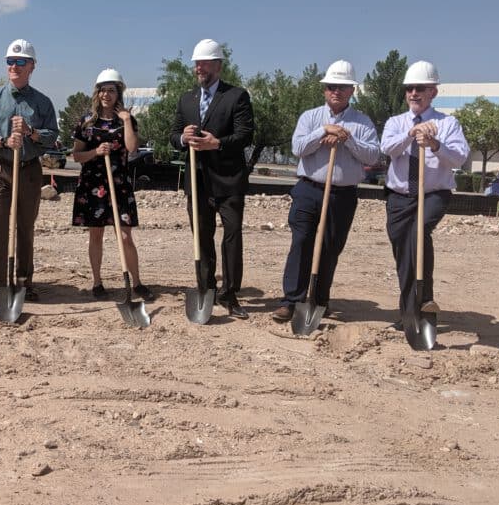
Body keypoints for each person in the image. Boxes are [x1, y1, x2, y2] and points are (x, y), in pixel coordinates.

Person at [276, 60, 380, 322]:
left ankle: (320, 301)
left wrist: (347, 138)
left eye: (343, 87)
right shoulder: (310, 117)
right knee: (301, 242)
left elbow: (372, 155)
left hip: (342, 194)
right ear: (324, 89)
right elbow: (298, 148)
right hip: (309, 190)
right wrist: (323, 131)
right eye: (332, 86)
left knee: (331, 247)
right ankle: (291, 300)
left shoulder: (363, 122)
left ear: (352, 91)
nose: (337, 91)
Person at [381, 60, 469, 329]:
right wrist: (411, 134)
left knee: (417, 236)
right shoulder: (396, 122)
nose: (413, 93)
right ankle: (410, 310)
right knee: (402, 251)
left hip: (433, 194)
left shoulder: (448, 123)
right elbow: (387, 148)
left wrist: (434, 143)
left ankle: (425, 302)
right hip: (399, 195)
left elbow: (459, 158)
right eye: (410, 88)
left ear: (433, 92)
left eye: (420, 88)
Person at [170, 38, 255, 319]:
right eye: (197, 63)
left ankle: (230, 294)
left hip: (229, 180)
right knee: (202, 238)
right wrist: (183, 138)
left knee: (232, 235)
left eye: (205, 63)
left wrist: (217, 143)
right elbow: (173, 136)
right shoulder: (186, 99)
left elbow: (245, 135)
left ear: (218, 65)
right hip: (198, 180)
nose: (199, 68)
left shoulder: (237, 96)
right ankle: (206, 289)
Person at [0, 39, 59, 306]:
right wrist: (2, 141)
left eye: (21, 62)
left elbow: (53, 135)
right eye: (10, 61)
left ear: (32, 66)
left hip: (29, 170)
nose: (15, 66)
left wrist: (32, 132)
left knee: (25, 226)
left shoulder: (42, 103)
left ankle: (24, 282)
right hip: (0, 168)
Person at [70, 69, 155, 302]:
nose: (106, 94)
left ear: (119, 93)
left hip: (120, 185)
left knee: (126, 237)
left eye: (111, 90)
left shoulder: (126, 119)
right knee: (95, 235)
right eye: (102, 90)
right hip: (93, 184)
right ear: (97, 93)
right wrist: (95, 152)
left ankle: (136, 282)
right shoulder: (86, 122)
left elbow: (131, 148)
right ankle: (97, 282)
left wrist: (127, 120)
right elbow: (76, 156)